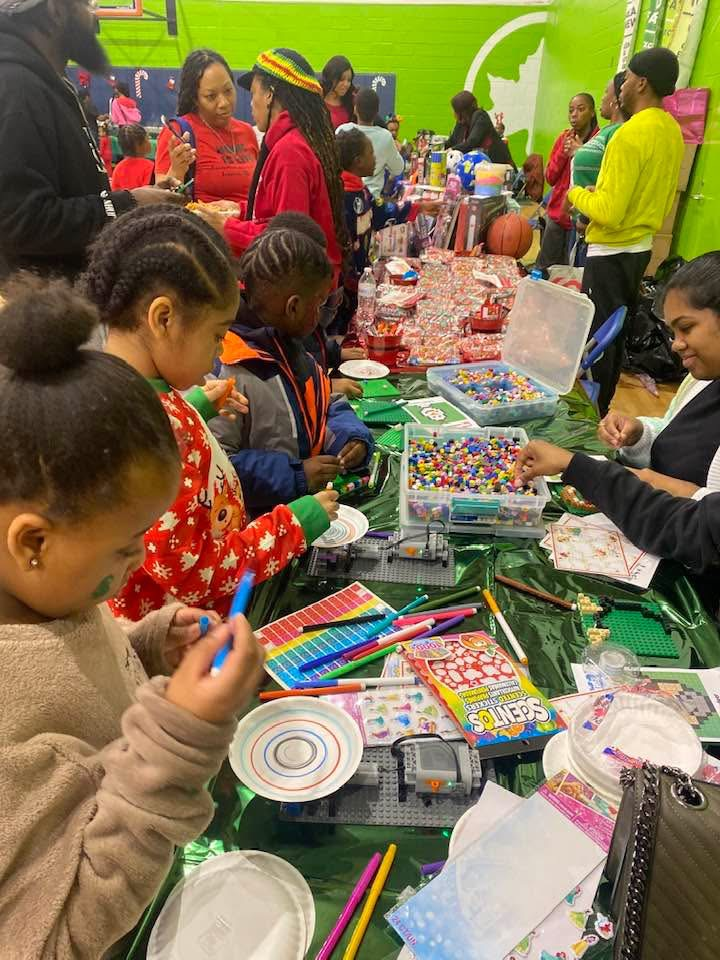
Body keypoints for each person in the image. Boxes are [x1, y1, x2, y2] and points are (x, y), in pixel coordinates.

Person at [0, 273, 265, 957]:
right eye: (124, 547)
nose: (142, 558)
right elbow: (58, 934)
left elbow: (79, 660)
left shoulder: (43, 594)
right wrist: (180, 738)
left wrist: (146, 643)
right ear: (33, 540)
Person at [80, 206, 338, 620]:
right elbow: (196, 574)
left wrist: (195, 406)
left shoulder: (125, 392)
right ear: (163, 318)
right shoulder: (148, 439)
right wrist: (294, 527)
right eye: (217, 335)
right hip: (189, 638)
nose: (220, 352)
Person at [0, 0, 181, 279]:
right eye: (85, 4)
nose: (94, 14)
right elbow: (20, 221)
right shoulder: (17, 87)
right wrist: (128, 204)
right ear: (55, 10)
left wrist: (132, 202)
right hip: (44, 310)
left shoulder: (41, 81)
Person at [210, 228, 375, 515]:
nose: (322, 313)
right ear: (294, 306)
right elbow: (217, 464)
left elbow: (326, 403)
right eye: (320, 303)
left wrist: (350, 438)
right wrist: (296, 475)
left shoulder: (294, 348)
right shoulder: (229, 367)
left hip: (306, 512)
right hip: (258, 529)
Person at [567, 47, 684, 414]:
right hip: (639, 248)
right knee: (614, 338)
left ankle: (589, 417)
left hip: (612, 250)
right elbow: (652, 200)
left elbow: (610, 213)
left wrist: (576, 194)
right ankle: (602, 407)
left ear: (642, 83)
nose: (623, 86)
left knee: (597, 340)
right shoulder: (671, 132)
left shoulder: (629, 135)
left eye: (628, 78)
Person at [218, 48, 348, 303]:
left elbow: (286, 243)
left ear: (269, 95)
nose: (251, 102)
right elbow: (278, 214)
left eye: (254, 92)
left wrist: (224, 228)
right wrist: (238, 209)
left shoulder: (290, 153)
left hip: (304, 298)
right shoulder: (296, 141)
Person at [596, 252, 720, 498]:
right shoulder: (698, 380)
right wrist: (639, 434)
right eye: (673, 332)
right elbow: (675, 436)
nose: (675, 344)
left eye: (686, 328)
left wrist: (660, 485)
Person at [264, 210, 367, 395]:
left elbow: (310, 347)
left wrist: (334, 353)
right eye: (318, 302)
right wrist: (325, 387)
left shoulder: (294, 315)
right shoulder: (271, 334)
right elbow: (286, 389)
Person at [155, 48, 259, 206]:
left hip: (248, 229)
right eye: (211, 96)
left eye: (228, 91)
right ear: (195, 98)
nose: (224, 103)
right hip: (202, 228)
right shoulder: (178, 133)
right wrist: (177, 171)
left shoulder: (246, 131)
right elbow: (161, 203)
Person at [535, 93, 598, 271]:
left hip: (583, 219)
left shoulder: (598, 141)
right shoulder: (564, 138)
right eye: (571, 110)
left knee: (571, 271)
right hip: (557, 214)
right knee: (544, 266)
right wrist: (563, 153)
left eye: (581, 109)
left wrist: (581, 151)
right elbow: (550, 177)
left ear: (592, 112)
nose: (574, 114)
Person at [570, 73, 627, 265]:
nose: (602, 97)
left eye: (605, 92)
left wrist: (585, 218)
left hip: (593, 226)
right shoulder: (605, 131)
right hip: (581, 218)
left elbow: (606, 179)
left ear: (616, 100)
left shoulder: (620, 133)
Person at [336, 88, 405, 198]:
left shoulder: (342, 130)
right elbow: (398, 169)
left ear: (355, 109)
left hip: (343, 196)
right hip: (372, 201)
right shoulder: (385, 136)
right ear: (377, 112)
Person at [446, 91, 515, 167]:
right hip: (483, 167)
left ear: (462, 112)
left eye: (455, 110)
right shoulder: (462, 122)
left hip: (498, 165)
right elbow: (452, 141)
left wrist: (451, 150)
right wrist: (437, 148)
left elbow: (472, 141)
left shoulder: (481, 116)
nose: (453, 113)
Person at [111, 123, 155, 191]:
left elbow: (115, 193)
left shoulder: (118, 168)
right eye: (147, 139)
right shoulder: (150, 167)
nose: (149, 141)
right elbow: (149, 193)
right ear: (138, 146)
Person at [322, 54, 355, 129]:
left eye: (349, 80)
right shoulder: (317, 99)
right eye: (341, 79)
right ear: (331, 77)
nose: (346, 84)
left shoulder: (353, 101)